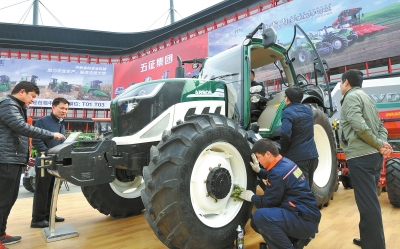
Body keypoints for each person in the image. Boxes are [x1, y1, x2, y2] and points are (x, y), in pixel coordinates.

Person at [0, 82, 65, 248]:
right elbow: (22, 128)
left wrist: (25, 157)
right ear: (22, 92)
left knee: (9, 200)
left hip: (13, 160)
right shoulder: (8, 105)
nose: (33, 100)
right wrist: (51, 134)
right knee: (3, 200)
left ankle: (1, 234)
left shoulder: (17, 107)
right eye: (32, 96)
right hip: (6, 160)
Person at [339, 69, 392, 248]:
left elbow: (359, 126)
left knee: (367, 204)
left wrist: (379, 144)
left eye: (340, 82)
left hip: (361, 157)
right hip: (373, 157)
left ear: (346, 82)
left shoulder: (351, 98)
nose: (340, 86)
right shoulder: (368, 98)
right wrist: (382, 143)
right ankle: (370, 239)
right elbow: (380, 126)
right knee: (369, 202)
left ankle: (374, 245)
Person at [240, 138, 321, 249]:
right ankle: (295, 242)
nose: (258, 161)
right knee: (256, 222)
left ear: (268, 154)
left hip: (304, 221)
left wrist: (251, 197)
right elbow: (276, 177)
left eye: (258, 157)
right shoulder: (286, 163)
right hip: (308, 217)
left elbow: (267, 203)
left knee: (260, 216)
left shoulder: (278, 173)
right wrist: (259, 171)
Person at [31, 98, 70, 228]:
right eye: (62, 108)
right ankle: (37, 219)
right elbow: (37, 141)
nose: (64, 111)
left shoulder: (62, 123)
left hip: (56, 164)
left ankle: (49, 215)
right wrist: (49, 154)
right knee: (42, 191)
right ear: (53, 107)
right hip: (44, 163)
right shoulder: (42, 122)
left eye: (66, 109)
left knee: (52, 190)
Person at [280, 87, 318, 188]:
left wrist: (283, 151)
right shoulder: (308, 110)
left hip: (298, 159)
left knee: (300, 191)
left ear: (287, 99)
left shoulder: (287, 112)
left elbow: (285, 134)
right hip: (312, 157)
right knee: (307, 188)